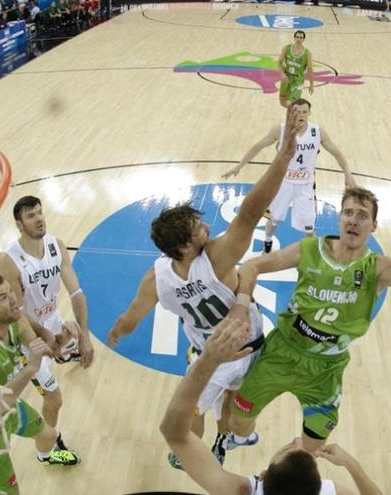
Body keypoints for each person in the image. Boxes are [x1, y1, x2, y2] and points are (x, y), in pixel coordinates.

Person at [108, 106, 305, 469]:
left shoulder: (157, 276)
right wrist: (283, 157)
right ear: (184, 246)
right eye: (198, 228)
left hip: (212, 354)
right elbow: (251, 209)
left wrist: (118, 331)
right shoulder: (215, 258)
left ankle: (194, 451)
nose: (206, 229)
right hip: (246, 346)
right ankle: (223, 441)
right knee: (228, 406)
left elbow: (133, 316)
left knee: (193, 407)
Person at [229, 180, 391, 452]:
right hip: (281, 351)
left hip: (325, 371)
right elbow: (251, 266)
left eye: (363, 215)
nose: (354, 220)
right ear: (339, 217)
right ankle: (244, 437)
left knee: (312, 449)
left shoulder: (376, 268)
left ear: (373, 225)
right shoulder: (310, 249)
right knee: (237, 421)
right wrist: (241, 305)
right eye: (348, 212)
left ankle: (292, 456)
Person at [159, 317, 383, 495]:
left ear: (263, 475)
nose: (297, 441)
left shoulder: (240, 490)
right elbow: (175, 435)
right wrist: (352, 465)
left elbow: (174, 432)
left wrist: (206, 360)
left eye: (287, 449)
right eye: (305, 454)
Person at [0, 274, 79, 494]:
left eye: (11, 291)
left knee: (50, 436)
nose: (14, 300)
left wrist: (62, 340)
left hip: (7, 401)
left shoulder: (15, 319)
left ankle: (46, 457)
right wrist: (30, 369)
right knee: (11, 491)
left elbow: (46, 348)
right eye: (3, 297)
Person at [0, 195, 95, 451]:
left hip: (50, 320)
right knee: (54, 398)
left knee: (73, 332)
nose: (39, 218)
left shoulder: (56, 246)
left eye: (40, 212)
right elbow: (15, 313)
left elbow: (76, 293)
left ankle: (63, 349)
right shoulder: (8, 260)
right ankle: (47, 450)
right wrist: (45, 338)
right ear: (19, 224)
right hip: (26, 338)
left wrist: (85, 335)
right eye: (30, 215)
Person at [222, 99, 356, 253]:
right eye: (297, 112)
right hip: (282, 183)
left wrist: (348, 173)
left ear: (309, 113)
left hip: (305, 185)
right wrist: (239, 165)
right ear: (291, 113)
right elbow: (258, 146)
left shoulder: (317, 132)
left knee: (309, 227)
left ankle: (309, 255)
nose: (301, 115)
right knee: (274, 219)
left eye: (304, 112)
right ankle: (267, 240)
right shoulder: (280, 130)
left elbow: (337, 153)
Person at [277, 30, 314, 108]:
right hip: (286, 78)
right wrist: (282, 74)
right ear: (294, 38)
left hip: (297, 81)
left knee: (293, 103)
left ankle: (296, 117)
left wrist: (311, 84)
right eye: (297, 37)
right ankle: (293, 115)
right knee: (282, 101)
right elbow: (279, 62)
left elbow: (310, 69)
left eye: (301, 37)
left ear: (303, 40)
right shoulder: (286, 48)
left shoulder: (307, 53)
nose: (299, 39)